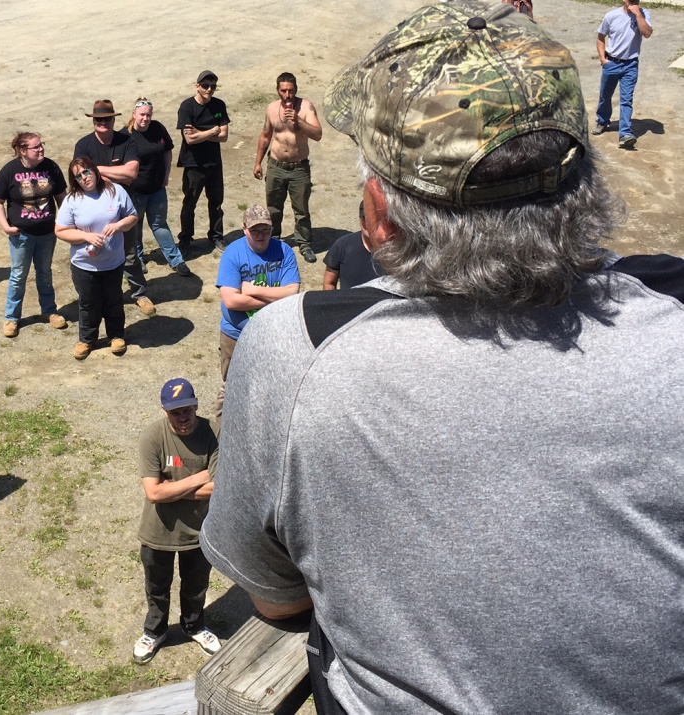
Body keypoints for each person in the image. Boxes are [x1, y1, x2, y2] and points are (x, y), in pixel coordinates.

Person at [201, 2, 684, 712]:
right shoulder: (671, 319)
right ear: (584, 181)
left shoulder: (297, 350)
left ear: (378, 213)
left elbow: (276, 600)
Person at [133, 378, 221, 664]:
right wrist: (199, 476)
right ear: (164, 410)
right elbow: (153, 493)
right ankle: (155, 631)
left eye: (187, 410)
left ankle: (193, 625)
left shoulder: (214, 433)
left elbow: (221, 487)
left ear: (196, 405)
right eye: (175, 412)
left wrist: (172, 487)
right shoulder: (152, 438)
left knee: (196, 585)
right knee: (157, 586)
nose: (182, 418)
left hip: (199, 530)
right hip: (158, 531)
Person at [214, 204, 300, 421]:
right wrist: (273, 298)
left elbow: (293, 292)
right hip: (235, 335)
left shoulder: (284, 251)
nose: (261, 236)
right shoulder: (233, 253)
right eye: (255, 231)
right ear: (244, 229)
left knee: (270, 386)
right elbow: (231, 300)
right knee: (231, 387)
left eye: (266, 230)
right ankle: (223, 438)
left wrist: (253, 290)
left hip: (273, 333)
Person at [74, 100, 155, 316]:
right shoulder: (83, 145)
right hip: (93, 209)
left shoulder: (127, 142)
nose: (103, 123)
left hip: (123, 208)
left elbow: (131, 174)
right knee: (95, 252)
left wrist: (96, 170)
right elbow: (82, 177)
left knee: (130, 252)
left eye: (107, 119)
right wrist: (116, 172)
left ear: (113, 119)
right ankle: (100, 296)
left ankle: (139, 293)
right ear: (93, 121)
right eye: (98, 119)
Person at [55, 158, 138, 360]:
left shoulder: (115, 191)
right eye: (78, 176)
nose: (84, 178)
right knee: (88, 302)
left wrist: (118, 226)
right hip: (84, 264)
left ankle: (116, 336)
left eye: (86, 172)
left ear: (95, 171)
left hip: (113, 261)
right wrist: (86, 236)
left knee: (114, 300)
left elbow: (132, 217)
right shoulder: (72, 200)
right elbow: (60, 231)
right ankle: (87, 339)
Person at [0, 131, 68, 338]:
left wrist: (65, 221)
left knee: (45, 273)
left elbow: (62, 196)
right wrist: (5, 226)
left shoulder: (51, 167)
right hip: (21, 235)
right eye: (36, 147)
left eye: (41, 145)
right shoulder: (10, 170)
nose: (41, 149)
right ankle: (12, 318)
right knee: (18, 276)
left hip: (47, 233)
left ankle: (50, 311)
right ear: (23, 151)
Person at [252, 72, 323, 263]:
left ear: (296, 90)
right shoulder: (271, 108)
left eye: (291, 90)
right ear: (278, 91)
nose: (287, 94)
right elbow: (266, 135)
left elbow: (318, 134)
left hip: (298, 168)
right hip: (276, 165)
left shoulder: (306, 107)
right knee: (273, 208)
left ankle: (305, 244)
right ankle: (273, 240)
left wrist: (298, 121)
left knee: (301, 210)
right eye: (283, 90)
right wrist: (258, 162)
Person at [120, 98, 192, 277]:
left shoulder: (158, 128)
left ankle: (176, 260)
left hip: (157, 190)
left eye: (148, 115)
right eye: (142, 114)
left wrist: (167, 173)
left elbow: (167, 150)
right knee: (134, 227)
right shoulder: (124, 136)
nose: (145, 118)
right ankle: (137, 260)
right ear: (134, 114)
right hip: (135, 192)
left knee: (160, 225)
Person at [176, 71, 230, 254]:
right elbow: (189, 139)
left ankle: (216, 236)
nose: (209, 89)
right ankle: (185, 238)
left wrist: (201, 134)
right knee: (189, 202)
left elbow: (224, 137)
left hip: (214, 163)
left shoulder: (219, 105)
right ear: (197, 86)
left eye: (213, 86)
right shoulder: (187, 107)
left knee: (216, 202)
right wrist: (212, 130)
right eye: (206, 85)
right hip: (193, 164)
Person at [592, 0, 652, 149]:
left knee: (626, 99)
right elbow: (601, 37)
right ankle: (602, 121)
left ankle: (625, 133)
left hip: (630, 64)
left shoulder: (644, 14)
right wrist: (602, 59)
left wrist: (638, 14)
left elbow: (647, 33)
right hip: (611, 63)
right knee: (605, 95)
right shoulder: (611, 16)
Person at [322, 201, 384, 290]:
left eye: (375, 220)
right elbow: (329, 283)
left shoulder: (397, 250)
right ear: (360, 219)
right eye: (365, 219)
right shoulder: (342, 245)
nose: (369, 224)